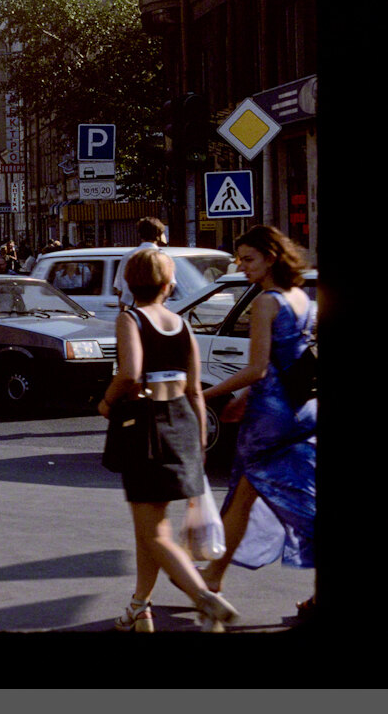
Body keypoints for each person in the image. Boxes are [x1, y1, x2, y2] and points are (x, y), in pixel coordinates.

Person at [99, 248, 238, 632]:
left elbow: (130, 373)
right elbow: (195, 391)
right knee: (150, 525)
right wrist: (200, 441)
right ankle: (140, 606)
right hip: (180, 424)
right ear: (169, 284)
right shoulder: (182, 324)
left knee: (154, 531)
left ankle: (204, 599)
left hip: (146, 427)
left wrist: (106, 401)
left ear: (129, 283)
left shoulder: (130, 320)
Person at [199, 225, 316, 619]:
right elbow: (287, 363)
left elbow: (256, 368)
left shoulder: (266, 302)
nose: (241, 266)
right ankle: (213, 576)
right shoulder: (301, 297)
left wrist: (206, 394)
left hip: (270, 420)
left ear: (271, 257)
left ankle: (213, 577)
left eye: (249, 259)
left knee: (264, 499)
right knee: (255, 495)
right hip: (301, 411)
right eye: (239, 259)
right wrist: (244, 398)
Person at [112, 217, 168, 310]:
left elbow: (119, 288)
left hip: (133, 309)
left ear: (140, 234)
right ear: (159, 235)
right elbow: (170, 284)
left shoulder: (128, 256)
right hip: (157, 310)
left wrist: (123, 313)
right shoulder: (163, 257)